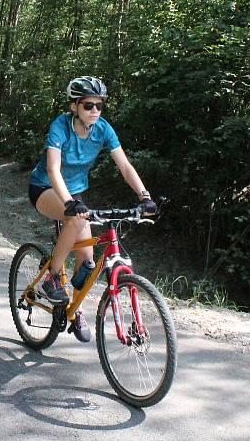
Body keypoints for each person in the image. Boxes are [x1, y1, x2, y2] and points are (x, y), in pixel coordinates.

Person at [28, 76, 157, 343]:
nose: (95, 111)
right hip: (45, 188)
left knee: (87, 261)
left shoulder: (103, 129)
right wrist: (69, 204)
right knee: (74, 219)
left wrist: (144, 196)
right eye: (88, 105)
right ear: (74, 106)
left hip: (75, 196)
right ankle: (51, 278)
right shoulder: (60, 127)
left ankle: (75, 313)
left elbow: (125, 166)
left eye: (99, 106)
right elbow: (53, 169)